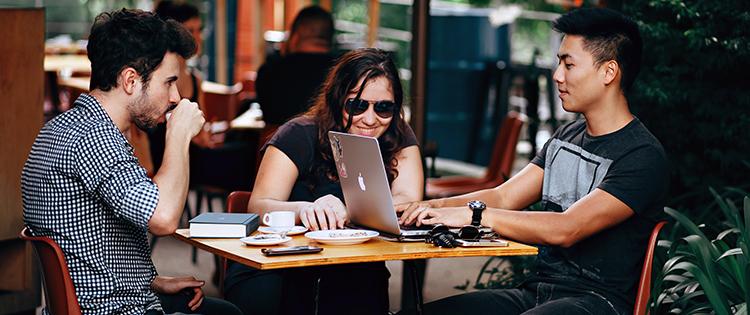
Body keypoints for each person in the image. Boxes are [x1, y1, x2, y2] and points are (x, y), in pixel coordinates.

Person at [397, 8, 668, 315]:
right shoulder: (567, 136)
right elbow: (504, 196)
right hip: (538, 292)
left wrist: (476, 217)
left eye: (569, 64)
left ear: (609, 72)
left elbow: (567, 228)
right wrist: (432, 208)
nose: (557, 76)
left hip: (598, 302)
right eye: (558, 63)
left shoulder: (641, 155)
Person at [21, 9, 241, 315]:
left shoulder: (64, 127)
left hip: (99, 300)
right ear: (130, 80)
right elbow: (163, 218)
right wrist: (178, 135)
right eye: (168, 83)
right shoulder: (94, 138)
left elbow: (90, 242)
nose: (176, 96)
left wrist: (151, 281)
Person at [223, 48, 424, 315]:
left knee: (360, 285)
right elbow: (257, 206)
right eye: (357, 105)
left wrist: (348, 209)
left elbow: (409, 200)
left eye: (384, 107)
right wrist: (306, 210)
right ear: (337, 99)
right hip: (280, 266)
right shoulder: (298, 134)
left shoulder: (397, 134)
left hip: (354, 268)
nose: (370, 119)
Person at [150, 0, 218, 174]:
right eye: (190, 31)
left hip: (192, 156)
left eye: (199, 30)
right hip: (161, 156)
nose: (197, 37)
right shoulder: (155, 77)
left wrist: (204, 134)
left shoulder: (196, 80)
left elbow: (202, 130)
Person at [256, 5, 337, 127]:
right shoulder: (343, 71)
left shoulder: (270, 70)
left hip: (277, 143)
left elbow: (268, 116)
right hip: (327, 144)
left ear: (295, 37)